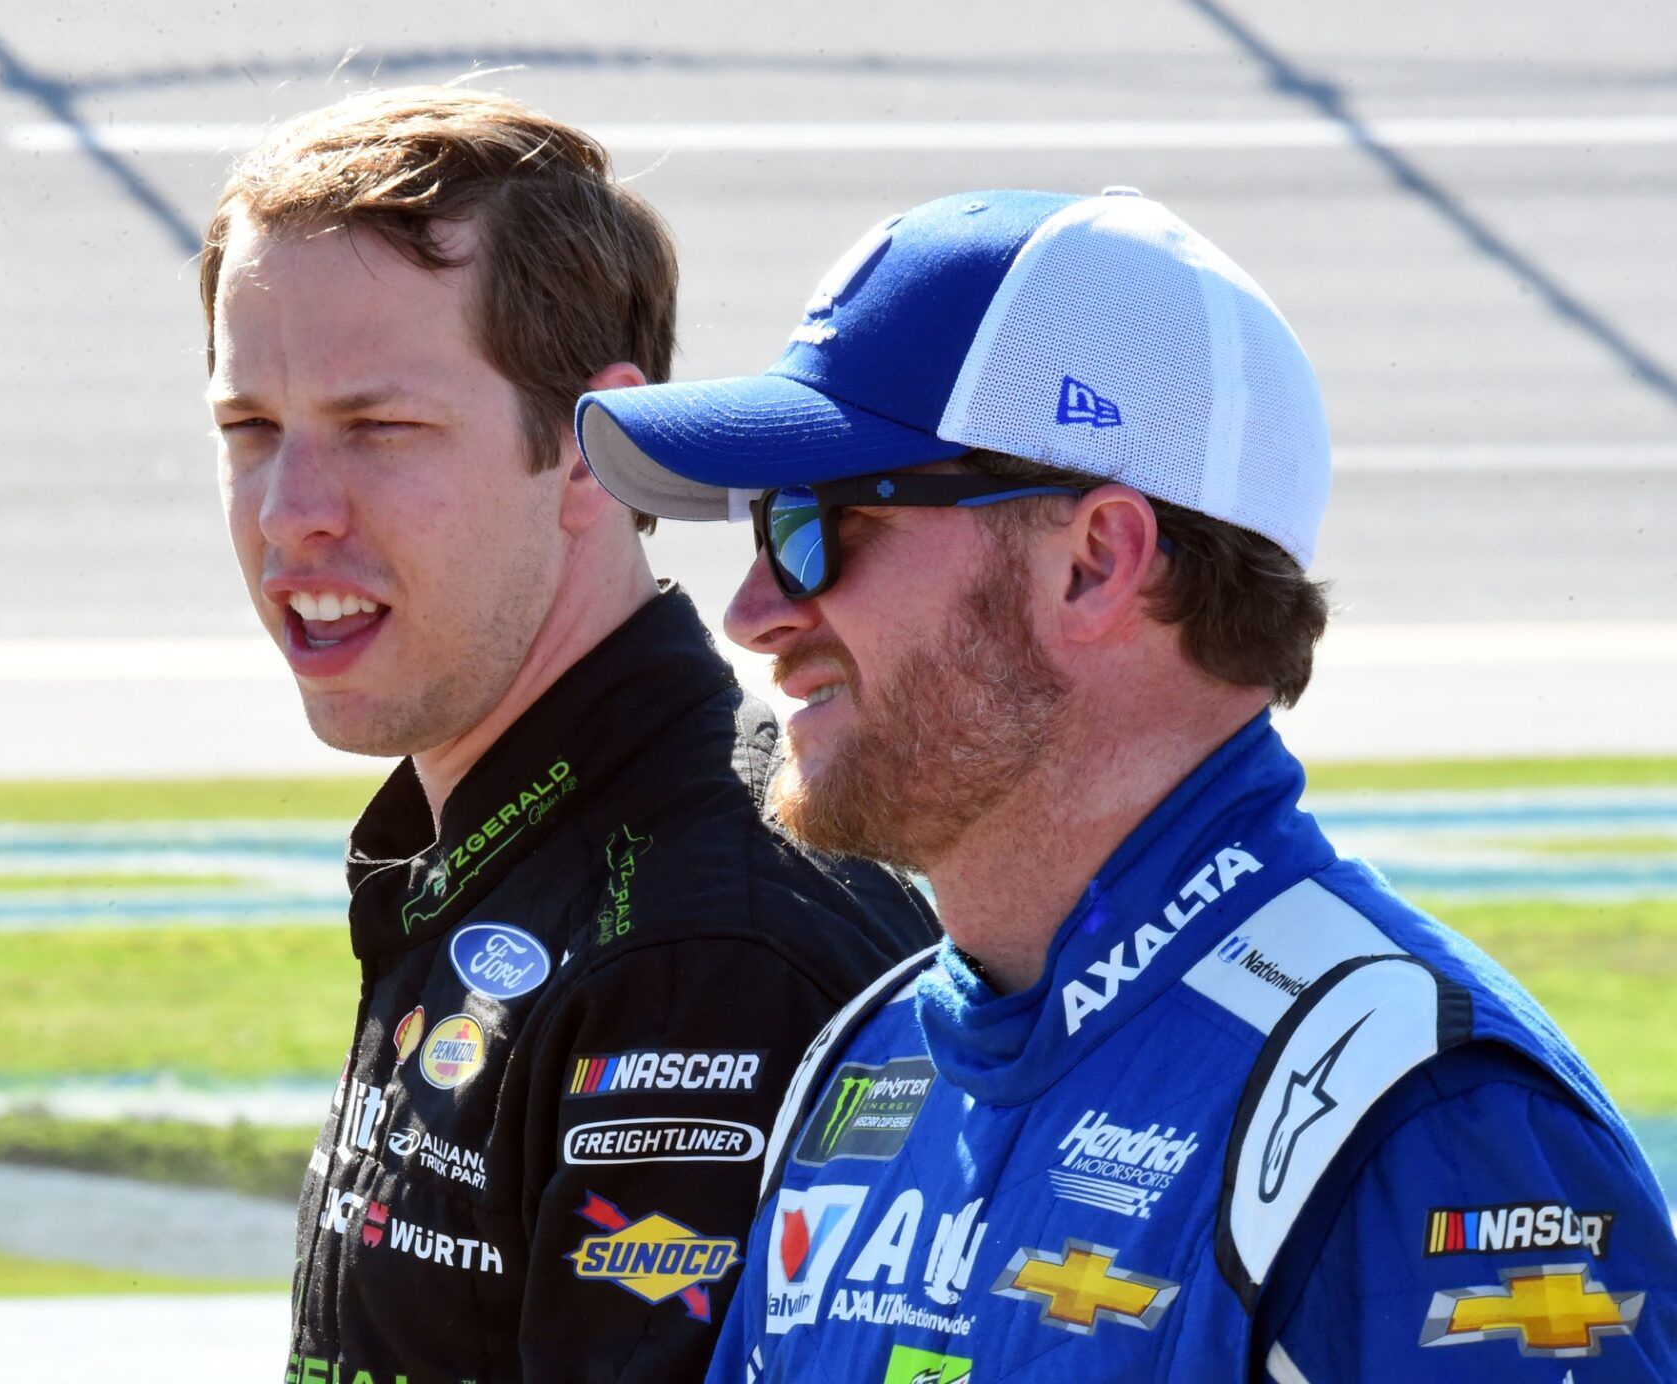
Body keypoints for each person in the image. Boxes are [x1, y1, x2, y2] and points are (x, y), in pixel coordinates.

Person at [575, 188, 1677, 1381]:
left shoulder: (1420, 1127)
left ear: (1096, 562)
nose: (753, 612)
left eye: (816, 522)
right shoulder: (871, 1065)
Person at [198, 88, 939, 1384]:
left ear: (600, 450)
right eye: (250, 430)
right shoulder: (497, 844)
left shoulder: (700, 961)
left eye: (380, 428)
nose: (289, 511)